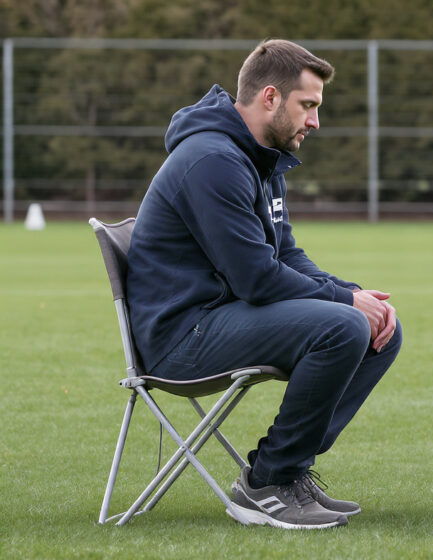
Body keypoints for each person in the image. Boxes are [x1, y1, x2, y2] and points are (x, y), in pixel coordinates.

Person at [126, 39, 400, 529]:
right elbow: (256, 278)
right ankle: (267, 482)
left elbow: (285, 254)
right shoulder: (213, 160)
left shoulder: (259, 156)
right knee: (342, 327)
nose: (315, 121)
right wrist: (344, 303)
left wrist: (354, 294)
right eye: (308, 106)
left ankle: (289, 472)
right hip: (180, 339)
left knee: (380, 329)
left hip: (220, 316)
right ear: (270, 98)